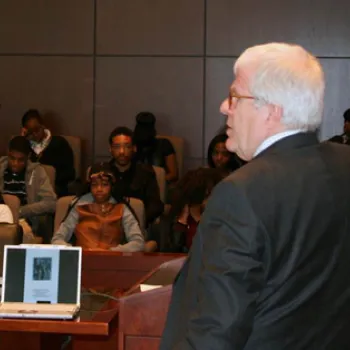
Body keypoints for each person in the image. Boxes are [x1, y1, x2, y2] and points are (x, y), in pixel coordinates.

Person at [160, 43, 350, 350]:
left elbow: (216, 329)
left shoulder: (242, 193)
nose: (224, 106)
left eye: (235, 96)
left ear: (271, 110)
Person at [52, 163, 145, 252]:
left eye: (104, 184)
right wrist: (76, 251)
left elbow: (138, 243)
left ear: (112, 186)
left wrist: (111, 252)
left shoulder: (121, 208)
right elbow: (57, 239)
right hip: (83, 260)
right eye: (94, 185)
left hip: (113, 260)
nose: (99, 189)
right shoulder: (79, 206)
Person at [0, 136, 56, 237]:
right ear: (8, 154)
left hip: (22, 221)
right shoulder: (0, 167)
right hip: (1, 217)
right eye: (12, 158)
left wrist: (20, 211)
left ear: (28, 157)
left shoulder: (37, 172)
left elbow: (51, 203)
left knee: (20, 235)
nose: (15, 164)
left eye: (20, 160)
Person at [108, 126, 164, 226]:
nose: (122, 152)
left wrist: (137, 219)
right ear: (110, 149)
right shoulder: (102, 172)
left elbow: (155, 205)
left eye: (127, 146)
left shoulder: (145, 173)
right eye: (117, 147)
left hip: (136, 225)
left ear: (134, 148)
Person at [162, 167, 223, 253]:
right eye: (207, 195)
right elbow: (170, 251)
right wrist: (182, 221)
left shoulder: (220, 219)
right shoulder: (178, 218)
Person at [21, 109, 76, 197]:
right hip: (29, 190)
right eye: (31, 131)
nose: (35, 134)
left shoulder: (59, 143)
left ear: (43, 126)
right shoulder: (25, 146)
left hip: (55, 190)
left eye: (37, 129)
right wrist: (23, 140)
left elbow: (69, 173)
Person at [133, 112, 178, 182]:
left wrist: (155, 182)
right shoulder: (132, 145)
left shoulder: (164, 144)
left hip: (159, 184)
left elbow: (173, 174)